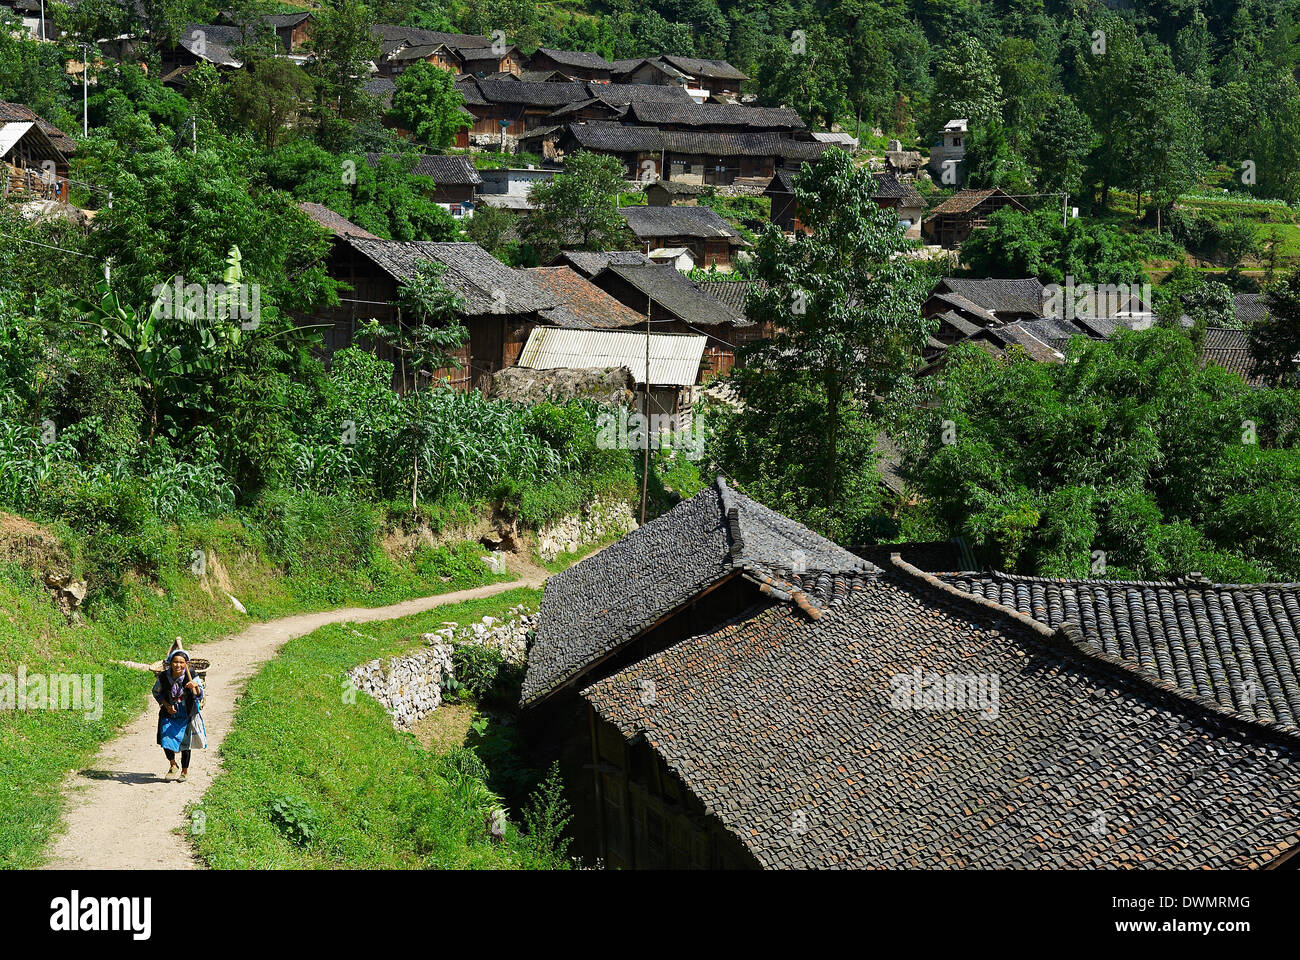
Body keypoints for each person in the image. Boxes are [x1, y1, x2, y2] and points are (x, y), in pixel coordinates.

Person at [152, 642, 205, 782]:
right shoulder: (163, 677)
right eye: (175, 662)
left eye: (181, 662)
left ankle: (184, 771)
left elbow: (199, 694)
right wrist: (166, 705)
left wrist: (196, 687)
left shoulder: (192, 675)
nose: (178, 665)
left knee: (185, 743)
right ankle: (172, 765)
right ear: (171, 663)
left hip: (186, 712)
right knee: (165, 739)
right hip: (169, 712)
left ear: (186, 664)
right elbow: (156, 692)